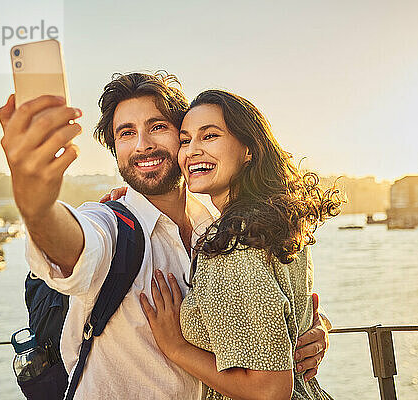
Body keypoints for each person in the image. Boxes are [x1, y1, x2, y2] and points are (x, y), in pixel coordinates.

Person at [0, 72, 329, 399]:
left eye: (157, 127)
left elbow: (266, 310)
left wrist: (312, 330)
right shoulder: (110, 226)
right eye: (126, 133)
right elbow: (74, 245)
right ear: (115, 150)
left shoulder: (220, 228)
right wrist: (36, 206)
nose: (143, 145)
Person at [138, 90, 342, 399]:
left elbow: (269, 391)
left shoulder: (234, 240)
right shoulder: (274, 221)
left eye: (209, 136)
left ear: (248, 149)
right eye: (185, 140)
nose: (192, 151)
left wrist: (176, 347)